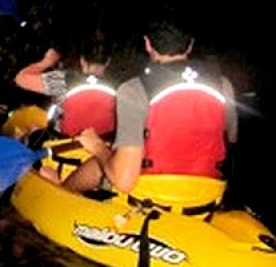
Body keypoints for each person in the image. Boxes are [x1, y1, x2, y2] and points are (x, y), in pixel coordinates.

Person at [46, 20, 237, 194]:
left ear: (147, 44)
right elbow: (230, 139)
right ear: (190, 45)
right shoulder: (223, 84)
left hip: (153, 192)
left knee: (101, 159)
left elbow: (124, 181)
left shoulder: (134, 90)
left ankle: (62, 191)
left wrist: (97, 147)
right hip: (208, 191)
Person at [13, 42, 117, 155]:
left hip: (64, 144)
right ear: (108, 62)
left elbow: (20, 79)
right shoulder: (120, 86)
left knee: (28, 128)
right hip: (102, 147)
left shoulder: (62, 80)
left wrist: (46, 61)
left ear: (82, 60)